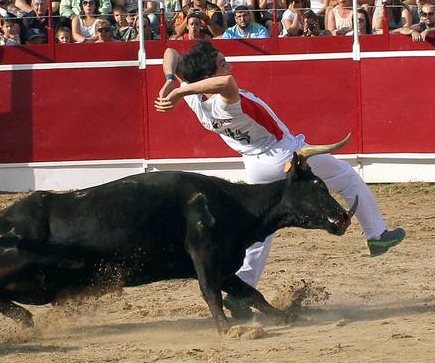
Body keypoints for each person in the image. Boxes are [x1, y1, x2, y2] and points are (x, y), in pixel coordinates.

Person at [152, 42, 406, 310]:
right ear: (208, 76)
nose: (229, 65)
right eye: (222, 62)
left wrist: (172, 81)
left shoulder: (196, 101)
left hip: (256, 165)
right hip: (285, 155)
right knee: (346, 176)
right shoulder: (225, 103)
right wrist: (182, 90)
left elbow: (170, 53)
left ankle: (242, 289)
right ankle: (376, 235)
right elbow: (226, 82)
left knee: (262, 228)